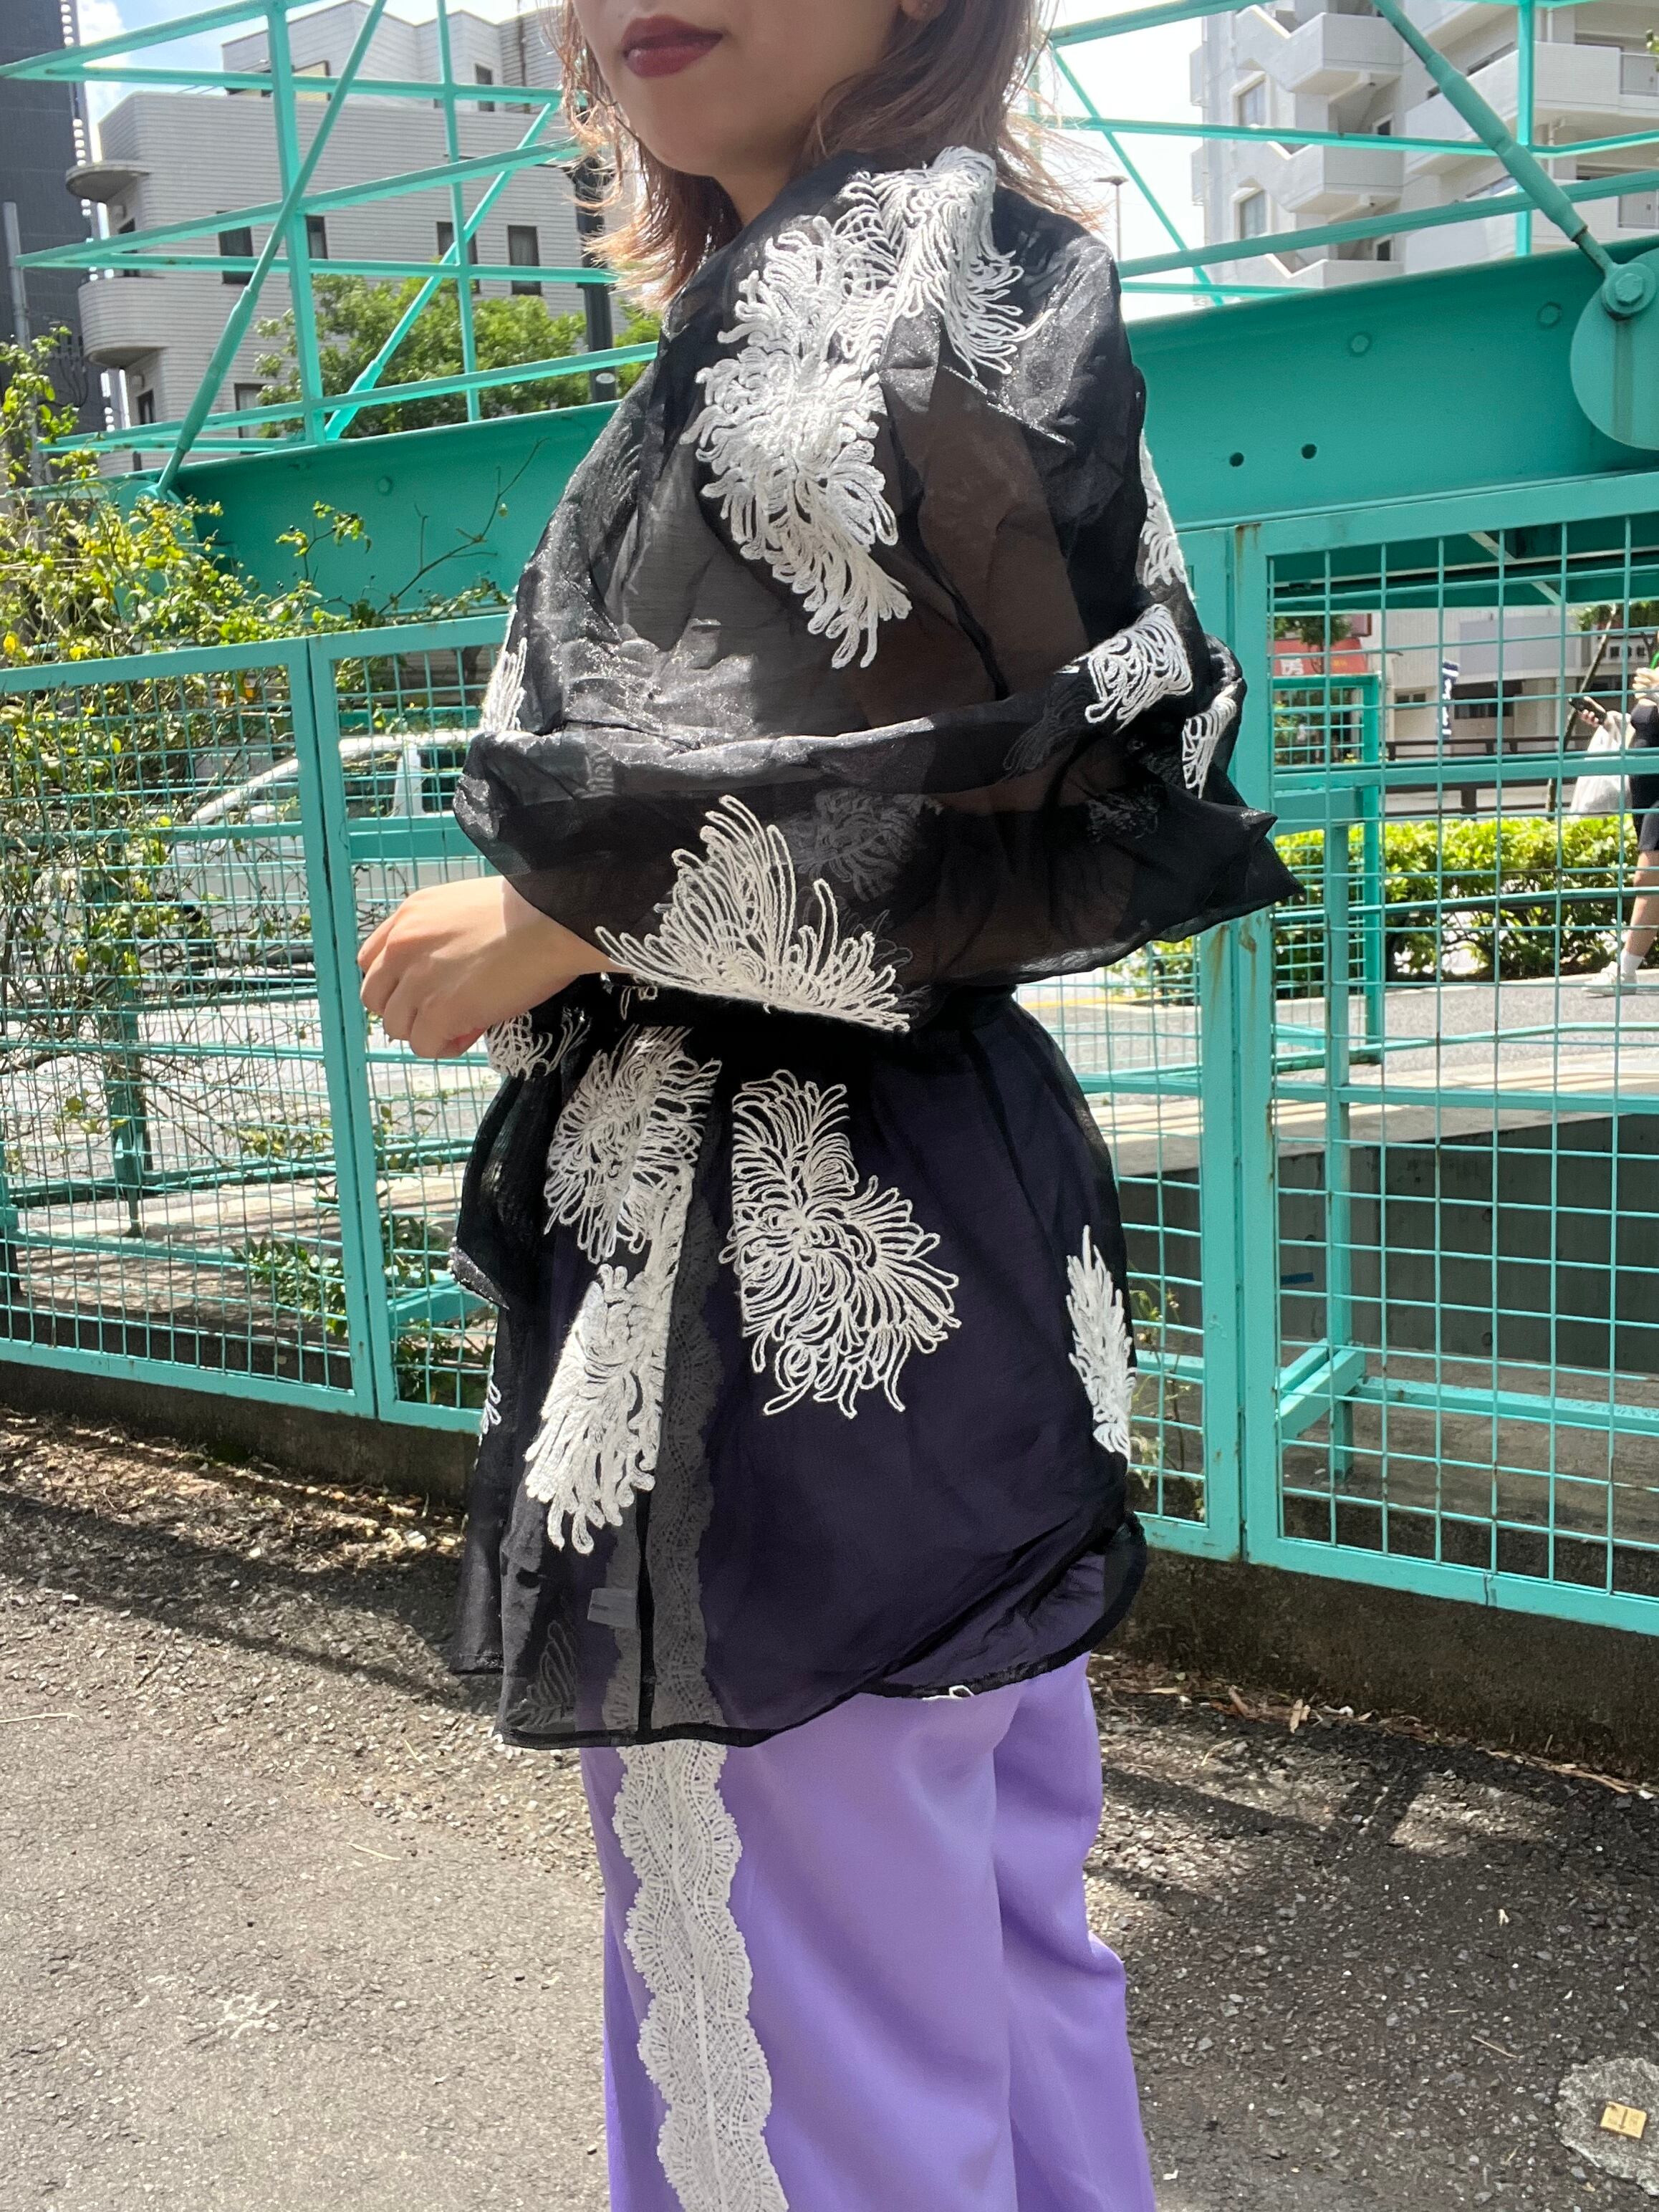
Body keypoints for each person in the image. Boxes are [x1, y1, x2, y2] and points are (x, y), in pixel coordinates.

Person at [357, 2, 1296, 2204]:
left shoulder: (886, 267)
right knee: (983, 1959)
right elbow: (1072, 723)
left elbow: (1090, 750)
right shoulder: (907, 261)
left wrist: (560, 911)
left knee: (803, 2040)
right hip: (921, 1242)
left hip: (775, 1313)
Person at [1587, 664, 1659, 995]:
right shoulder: (1655, 663)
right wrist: (1609, 722)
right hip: (1645, 790)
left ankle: (1624, 970)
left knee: (1648, 878)